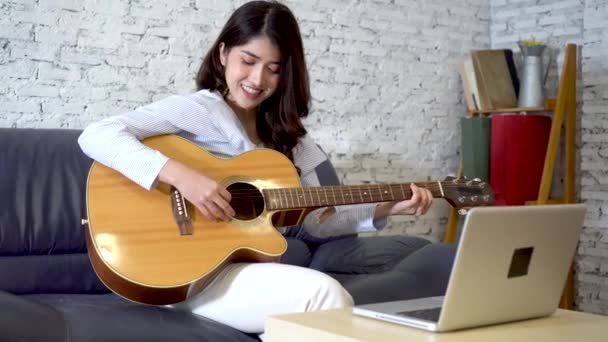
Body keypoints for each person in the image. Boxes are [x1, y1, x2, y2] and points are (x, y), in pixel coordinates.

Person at [78, 0, 433, 334]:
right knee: (325, 296)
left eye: (273, 69)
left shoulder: (295, 143)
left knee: (322, 305)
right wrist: (181, 176)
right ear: (223, 54)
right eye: (248, 60)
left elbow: (316, 222)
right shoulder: (201, 111)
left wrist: (389, 205)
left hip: (239, 273)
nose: (257, 78)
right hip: (178, 272)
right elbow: (97, 134)